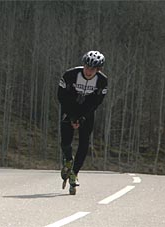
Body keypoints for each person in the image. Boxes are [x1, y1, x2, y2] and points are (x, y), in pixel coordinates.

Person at [57, 50, 108, 195]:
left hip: (87, 110)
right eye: (87, 67)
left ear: (98, 70)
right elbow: (61, 97)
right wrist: (72, 117)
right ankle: (68, 159)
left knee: (84, 141)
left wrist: (82, 118)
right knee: (65, 142)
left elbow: (96, 102)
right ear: (83, 64)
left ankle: (74, 172)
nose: (88, 71)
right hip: (69, 107)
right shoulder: (70, 75)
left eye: (92, 69)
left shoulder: (102, 81)